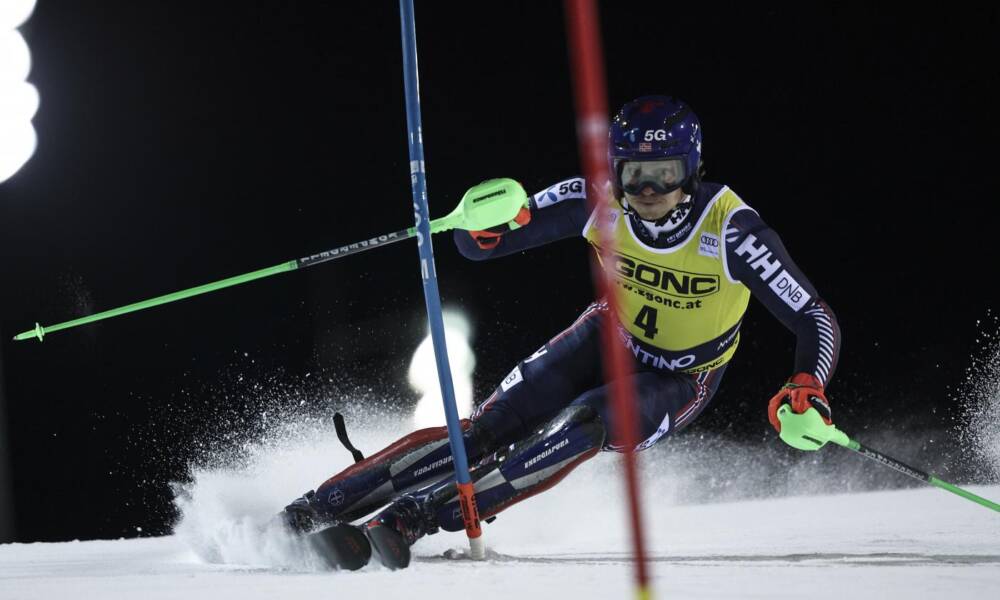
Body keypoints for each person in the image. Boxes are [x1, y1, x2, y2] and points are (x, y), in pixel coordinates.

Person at [281, 95, 841, 568]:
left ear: (691, 171)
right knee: (486, 430)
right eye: (634, 174)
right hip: (606, 337)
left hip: (679, 377)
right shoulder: (596, 199)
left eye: (664, 174)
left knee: (581, 424)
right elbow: (481, 246)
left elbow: (811, 314)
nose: (647, 190)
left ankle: (415, 517)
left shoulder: (732, 231)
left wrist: (806, 382)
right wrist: (479, 227)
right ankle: (316, 508)